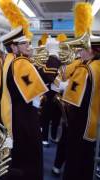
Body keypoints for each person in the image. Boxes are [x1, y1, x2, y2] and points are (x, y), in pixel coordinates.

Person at [0, 26, 48, 180]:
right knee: (31, 156)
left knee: (20, 157)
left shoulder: (10, 61)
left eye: (28, 42)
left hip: (16, 117)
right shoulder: (21, 62)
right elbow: (38, 92)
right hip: (26, 119)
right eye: (24, 43)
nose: (29, 46)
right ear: (14, 47)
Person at [62, 36, 100, 180]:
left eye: (83, 49)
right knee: (86, 157)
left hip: (79, 120)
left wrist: (63, 89)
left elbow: (72, 98)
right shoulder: (97, 66)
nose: (80, 52)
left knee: (75, 157)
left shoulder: (85, 68)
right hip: (92, 119)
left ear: (91, 51)